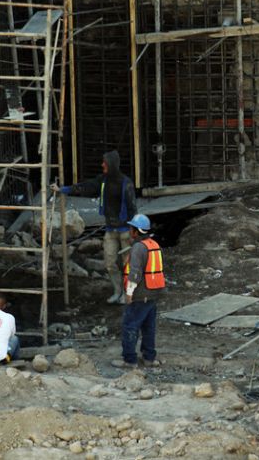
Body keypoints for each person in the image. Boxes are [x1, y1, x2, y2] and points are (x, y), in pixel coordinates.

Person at [51, 150, 138, 304]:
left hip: (125, 230)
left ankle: (127, 293)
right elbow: (86, 187)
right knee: (110, 264)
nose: (102, 164)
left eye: (104, 162)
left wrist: (134, 232)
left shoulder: (126, 183)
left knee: (127, 266)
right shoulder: (103, 180)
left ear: (111, 164)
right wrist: (62, 190)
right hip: (110, 230)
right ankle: (117, 292)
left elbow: (132, 208)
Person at [110, 214, 165, 368]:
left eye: (131, 228)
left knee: (130, 326)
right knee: (149, 327)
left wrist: (129, 293)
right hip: (153, 293)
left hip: (140, 295)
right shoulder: (154, 245)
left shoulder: (138, 248)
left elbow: (135, 273)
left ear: (136, 231)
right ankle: (149, 358)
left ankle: (130, 360)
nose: (129, 230)